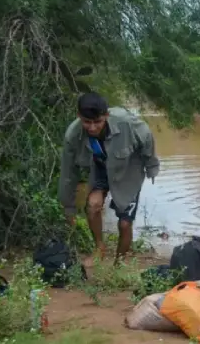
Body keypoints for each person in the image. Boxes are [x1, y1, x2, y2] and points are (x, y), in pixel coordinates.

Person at [58, 93, 159, 262]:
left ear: (106, 115)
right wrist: (68, 207)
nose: (92, 128)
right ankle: (100, 248)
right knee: (92, 206)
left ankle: (119, 263)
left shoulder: (126, 122)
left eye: (97, 122)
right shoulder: (72, 135)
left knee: (125, 223)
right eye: (86, 122)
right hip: (100, 168)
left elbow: (147, 136)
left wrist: (151, 165)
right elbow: (68, 174)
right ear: (79, 116)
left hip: (128, 170)